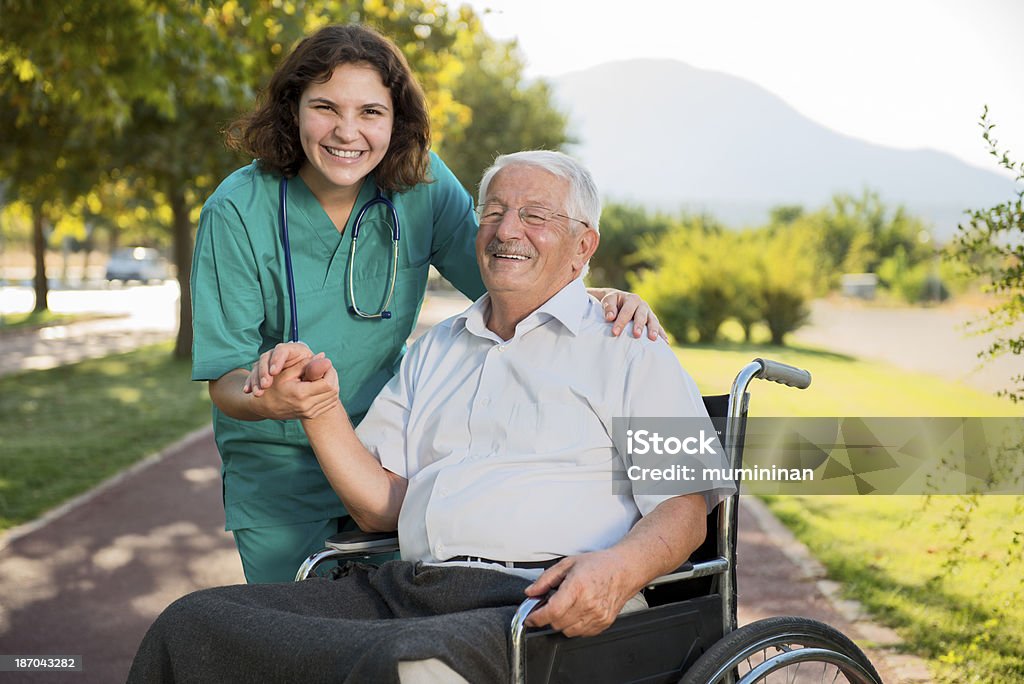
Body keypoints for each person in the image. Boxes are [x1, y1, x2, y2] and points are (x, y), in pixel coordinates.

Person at [130, 151, 735, 683]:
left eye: (535, 215)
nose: (507, 230)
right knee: (194, 625)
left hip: (539, 600)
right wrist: (319, 406)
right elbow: (379, 505)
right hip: (412, 588)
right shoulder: (436, 348)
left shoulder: (630, 346)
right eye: (493, 211)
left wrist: (617, 570)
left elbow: (683, 510)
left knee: (413, 663)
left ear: (584, 245)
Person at [193, 24, 666, 584]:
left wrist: (592, 299)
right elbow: (227, 378)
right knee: (310, 637)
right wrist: (285, 401)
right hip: (310, 477)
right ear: (291, 110)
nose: (348, 131)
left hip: (408, 476)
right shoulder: (239, 211)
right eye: (325, 107)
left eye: (371, 111)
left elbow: (692, 498)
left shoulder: (628, 347)